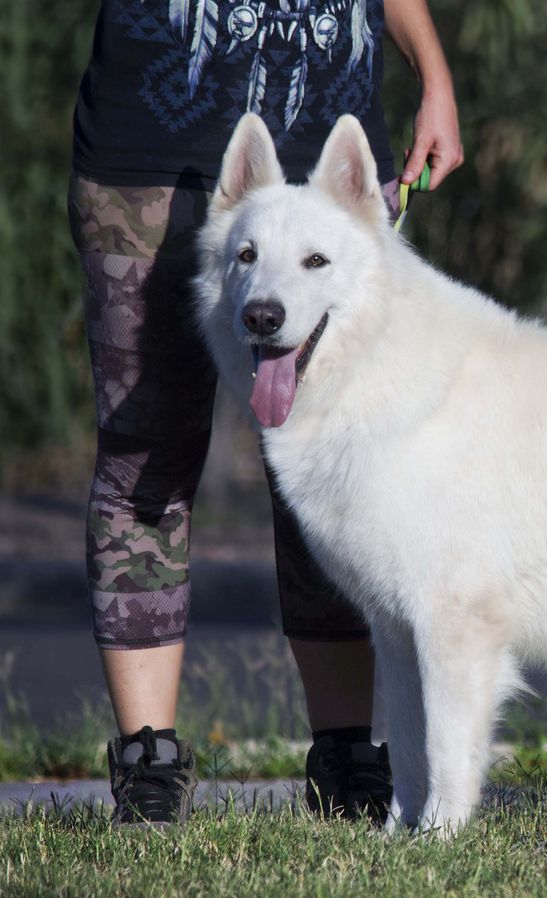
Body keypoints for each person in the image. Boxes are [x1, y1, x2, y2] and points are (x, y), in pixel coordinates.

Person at [69, 0, 463, 826]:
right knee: (146, 453)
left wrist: (432, 71)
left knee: (339, 459)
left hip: (334, 157)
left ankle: (349, 755)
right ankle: (148, 762)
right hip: (148, 156)